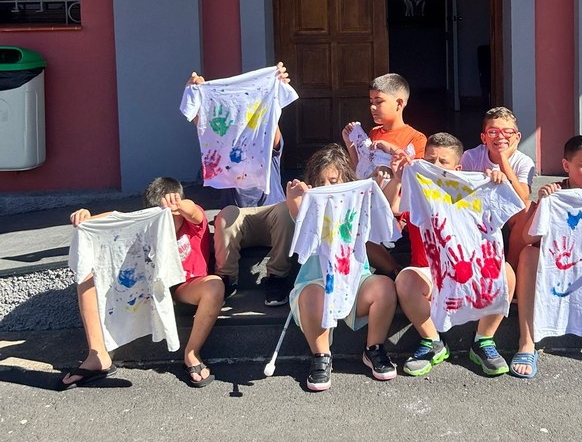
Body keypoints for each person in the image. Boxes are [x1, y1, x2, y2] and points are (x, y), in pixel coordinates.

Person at [63, 177, 224, 389]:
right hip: (147, 287)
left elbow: (193, 211)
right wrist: (86, 218)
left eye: (168, 218)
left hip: (186, 286)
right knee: (86, 277)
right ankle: (97, 354)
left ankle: (192, 353)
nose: (164, 225)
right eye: (157, 218)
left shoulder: (191, 221)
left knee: (215, 285)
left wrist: (179, 205)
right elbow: (115, 218)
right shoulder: (147, 223)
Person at [384, 132, 518, 377]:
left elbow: (514, 207)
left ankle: (483, 341)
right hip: (428, 274)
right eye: (430, 160)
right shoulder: (417, 190)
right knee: (405, 280)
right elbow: (389, 209)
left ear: (457, 168)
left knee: (505, 273)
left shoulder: (475, 190)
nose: (435, 167)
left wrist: (499, 182)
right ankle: (432, 342)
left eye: (442, 162)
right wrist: (398, 179)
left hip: (468, 271)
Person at [285, 144, 398, 392]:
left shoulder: (357, 201)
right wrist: (295, 199)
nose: (327, 188)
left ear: (346, 180)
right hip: (317, 283)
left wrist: (381, 186)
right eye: (321, 182)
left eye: (333, 181)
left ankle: (374, 348)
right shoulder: (308, 206)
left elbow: (385, 212)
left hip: (356, 282)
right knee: (313, 295)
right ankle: (321, 356)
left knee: (385, 287)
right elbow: (298, 218)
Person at [185, 65, 298, 306]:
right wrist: (196, 93)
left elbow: (272, 124)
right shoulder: (224, 149)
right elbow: (205, 127)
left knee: (286, 210)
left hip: (271, 218)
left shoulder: (269, 147)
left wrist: (273, 90)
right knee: (226, 216)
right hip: (239, 223)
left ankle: (277, 277)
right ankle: (227, 279)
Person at [511, 135, 582, 378]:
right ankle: (527, 341)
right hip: (559, 267)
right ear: (566, 166)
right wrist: (543, 202)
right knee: (528, 255)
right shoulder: (555, 194)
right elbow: (529, 238)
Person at [341, 73, 428, 276]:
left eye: (378, 102)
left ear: (399, 103)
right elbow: (361, 170)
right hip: (370, 200)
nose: (372, 107)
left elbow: (417, 179)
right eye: (371, 101)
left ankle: (392, 269)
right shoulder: (373, 133)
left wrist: (392, 149)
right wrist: (350, 144)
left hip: (396, 209)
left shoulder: (416, 138)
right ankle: (392, 269)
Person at [462, 107, 534, 270]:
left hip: (508, 213)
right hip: (478, 210)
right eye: (493, 132)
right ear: (483, 138)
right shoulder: (471, 157)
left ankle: (511, 266)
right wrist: (485, 181)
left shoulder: (524, 162)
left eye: (508, 131)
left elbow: (522, 199)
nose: (501, 136)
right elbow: (461, 194)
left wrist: (503, 160)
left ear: (517, 137)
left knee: (529, 208)